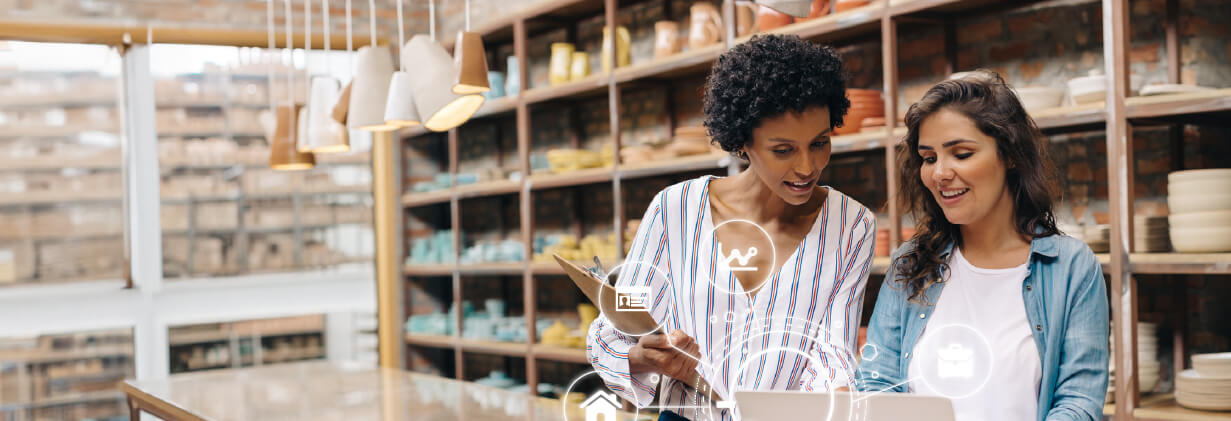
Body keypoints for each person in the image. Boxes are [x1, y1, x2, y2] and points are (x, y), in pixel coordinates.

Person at [586, 34, 876, 421]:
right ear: (743, 141)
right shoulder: (675, 210)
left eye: (819, 142)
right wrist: (644, 356)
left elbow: (832, 352)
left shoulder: (852, 225)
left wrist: (839, 398)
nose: (807, 166)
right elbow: (616, 328)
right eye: (783, 149)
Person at [856, 71, 1109, 421]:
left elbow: (1079, 402)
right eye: (929, 158)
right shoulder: (909, 264)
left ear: (1009, 155)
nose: (940, 173)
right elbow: (876, 383)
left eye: (961, 154)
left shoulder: (1071, 267)